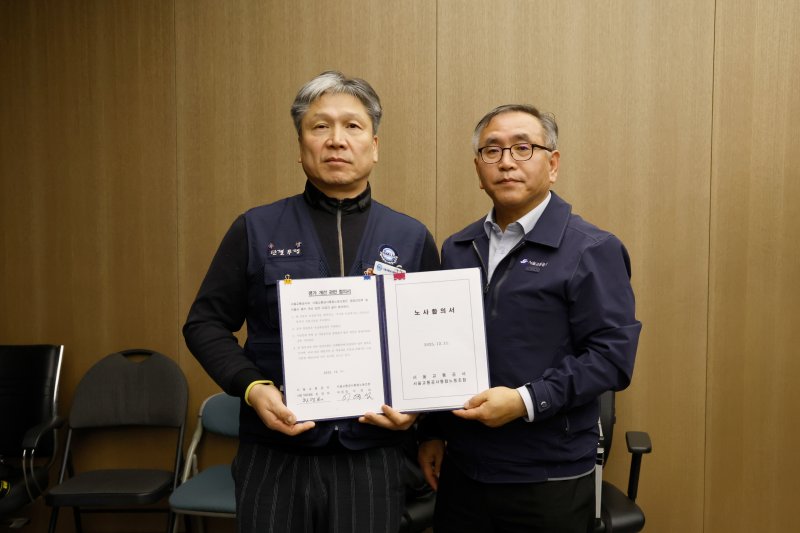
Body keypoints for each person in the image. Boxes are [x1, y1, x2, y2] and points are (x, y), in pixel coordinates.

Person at [183, 71, 440, 533]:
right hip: (275, 454)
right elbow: (204, 324)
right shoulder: (256, 229)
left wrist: (418, 409)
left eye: (353, 127)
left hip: (372, 455)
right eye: (320, 126)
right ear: (300, 145)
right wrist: (252, 387)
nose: (336, 140)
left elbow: (433, 341)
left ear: (375, 146)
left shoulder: (411, 237)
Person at [418, 104, 641, 532]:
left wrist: (523, 401)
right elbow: (444, 348)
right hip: (463, 469)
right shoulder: (458, 248)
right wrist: (431, 430)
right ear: (478, 167)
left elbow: (612, 358)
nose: (506, 162)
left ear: (552, 164)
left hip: (547, 475)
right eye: (492, 150)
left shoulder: (591, 249)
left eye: (523, 148)